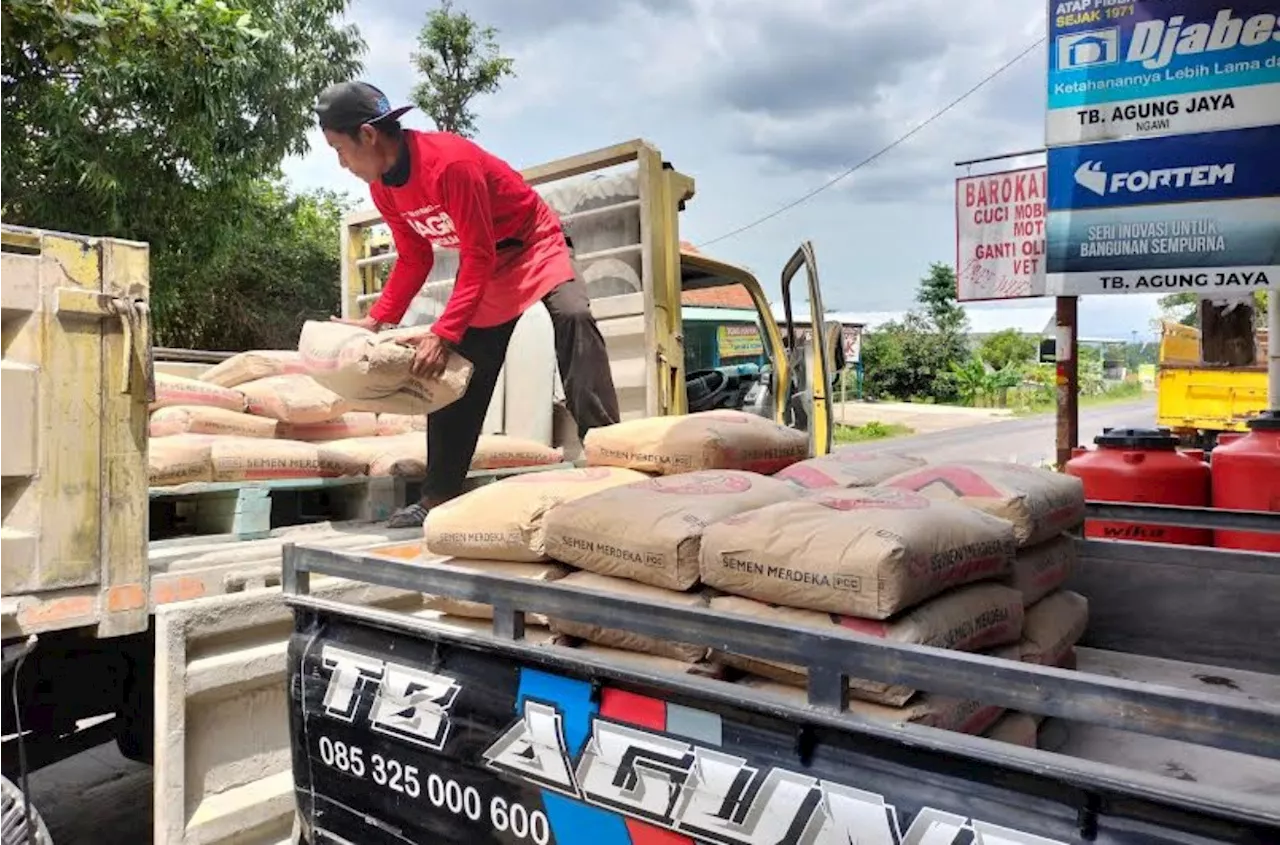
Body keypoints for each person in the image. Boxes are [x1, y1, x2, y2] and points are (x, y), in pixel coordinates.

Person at [315, 81, 620, 527]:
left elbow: (477, 253)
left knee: (574, 316)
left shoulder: (448, 163)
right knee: (455, 372)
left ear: (368, 135)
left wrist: (444, 330)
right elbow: (415, 256)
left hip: (535, 244)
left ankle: (607, 454)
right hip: (488, 265)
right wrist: (377, 320)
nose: (341, 164)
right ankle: (437, 497)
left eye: (339, 149)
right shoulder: (384, 188)